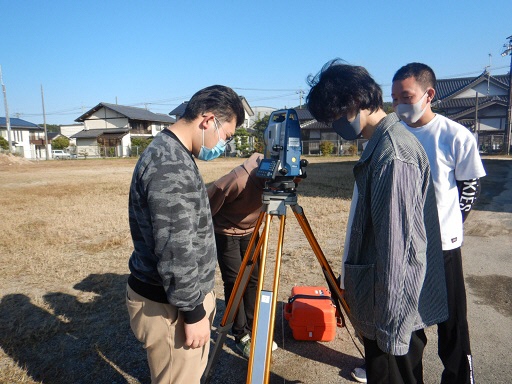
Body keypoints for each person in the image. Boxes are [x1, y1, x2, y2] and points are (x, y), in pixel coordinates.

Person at [306, 59, 448, 384]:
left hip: (391, 316)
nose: (334, 126)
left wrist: (388, 332)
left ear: (356, 102)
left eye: (334, 116)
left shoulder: (393, 154)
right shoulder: (381, 144)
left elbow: (396, 253)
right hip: (382, 307)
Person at [126, 85, 245, 384]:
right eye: (226, 136)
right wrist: (193, 314)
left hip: (175, 302)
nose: (224, 145)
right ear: (207, 121)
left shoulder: (173, 152)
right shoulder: (168, 165)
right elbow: (175, 249)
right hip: (172, 310)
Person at [392, 62, 486, 384]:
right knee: (409, 324)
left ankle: (460, 378)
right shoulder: (393, 135)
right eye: (394, 99)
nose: (399, 105)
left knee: (452, 325)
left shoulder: (454, 135)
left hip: (443, 247)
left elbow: (469, 187)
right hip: (404, 248)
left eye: (406, 96)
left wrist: (450, 225)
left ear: (428, 94)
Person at [207, 152, 271, 358]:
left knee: (253, 278)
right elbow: (208, 201)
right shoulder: (238, 180)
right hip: (227, 232)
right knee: (235, 283)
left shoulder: (275, 175)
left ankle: (254, 328)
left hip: (251, 231)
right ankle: (240, 333)